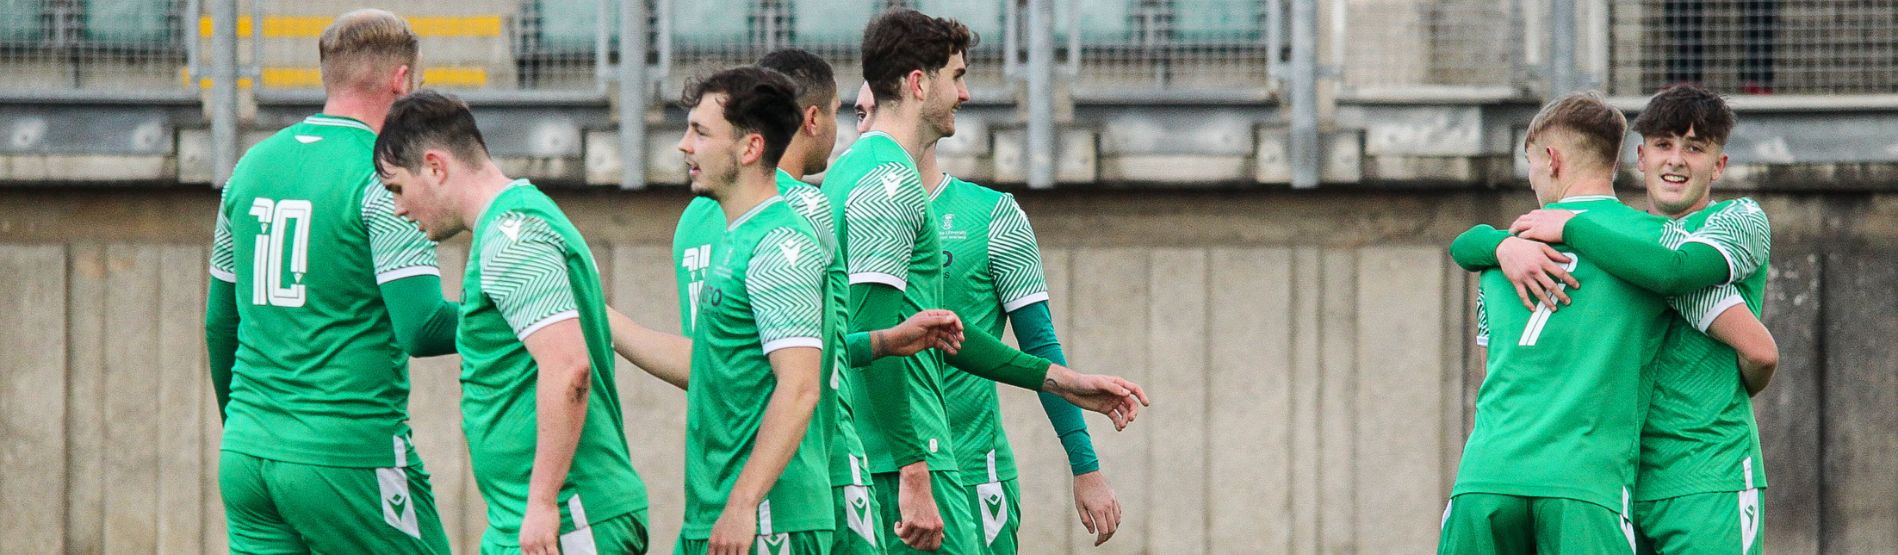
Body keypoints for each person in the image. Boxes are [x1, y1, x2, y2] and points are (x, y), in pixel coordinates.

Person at [1451, 84, 1775, 554]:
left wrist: (1563, 227)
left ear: (1719, 165)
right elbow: (1466, 246)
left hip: (1704, 472)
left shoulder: (1698, 236)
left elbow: (1756, 347)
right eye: (1664, 145)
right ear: (1638, 158)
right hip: (1621, 478)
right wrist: (1499, 244)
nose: (1676, 161)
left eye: (1695, 148)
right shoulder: (1629, 248)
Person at [205, 10, 456, 553]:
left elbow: (219, 323)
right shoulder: (383, 176)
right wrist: (519, 308)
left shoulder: (249, 169)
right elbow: (423, 326)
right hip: (347, 454)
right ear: (402, 81)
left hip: (248, 456)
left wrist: (251, 427)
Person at [375, 90, 650, 554]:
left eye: (398, 188)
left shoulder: (512, 237)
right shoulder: (509, 227)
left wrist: (543, 503)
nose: (398, 208)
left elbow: (569, 369)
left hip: (569, 515)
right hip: (531, 517)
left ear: (436, 167)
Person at [855, 80, 1125, 550]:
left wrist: (1085, 465)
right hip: (866, 471)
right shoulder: (845, 209)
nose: (865, 129)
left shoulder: (993, 216)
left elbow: (1038, 345)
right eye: (858, 115)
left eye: (873, 112)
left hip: (969, 469)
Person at [1437, 92, 1672, 554]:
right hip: (1584, 485)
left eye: (1531, 165)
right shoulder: (1655, 242)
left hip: (1486, 479)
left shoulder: (1503, 254)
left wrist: (1498, 244)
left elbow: (1489, 363)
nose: (1532, 180)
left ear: (1552, 159)